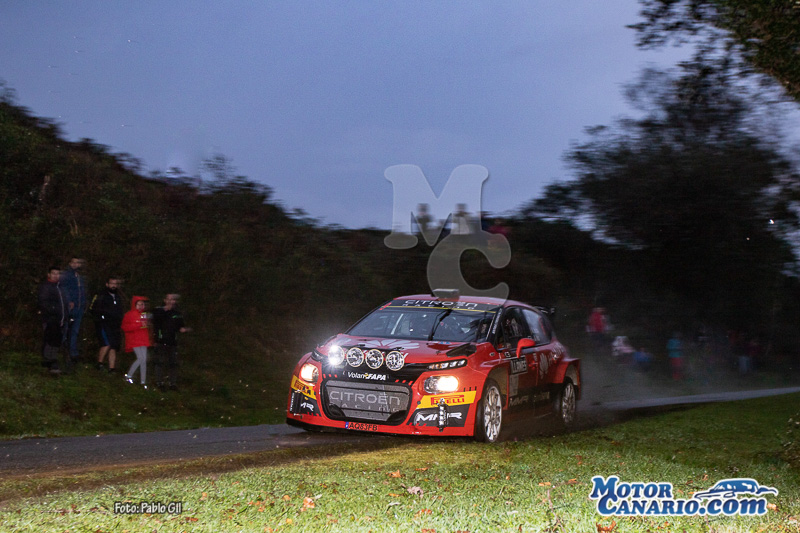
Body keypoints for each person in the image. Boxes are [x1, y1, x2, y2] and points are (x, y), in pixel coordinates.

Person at [152, 293, 190, 391]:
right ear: (165, 300)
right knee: (159, 362)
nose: (171, 301)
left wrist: (184, 329)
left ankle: (172, 383)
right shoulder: (158, 311)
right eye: (169, 299)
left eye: (173, 299)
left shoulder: (177, 314)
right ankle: (159, 383)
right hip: (160, 341)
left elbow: (180, 326)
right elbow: (154, 324)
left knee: (173, 363)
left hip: (172, 342)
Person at [90, 277, 124, 372]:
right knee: (106, 343)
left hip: (115, 325)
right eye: (112, 283)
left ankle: (112, 368)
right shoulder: (101, 295)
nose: (113, 285)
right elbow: (93, 309)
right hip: (104, 324)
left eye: (115, 283)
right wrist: (101, 318)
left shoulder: (118, 297)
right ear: (107, 284)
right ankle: (99, 363)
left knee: (114, 346)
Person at [37, 266, 67, 374]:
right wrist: (53, 311)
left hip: (60, 319)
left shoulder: (59, 287)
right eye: (53, 273)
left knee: (57, 339)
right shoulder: (46, 287)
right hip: (50, 318)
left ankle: (52, 360)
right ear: (49, 274)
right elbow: (43, 302)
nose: (56, 276)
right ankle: (49, 360)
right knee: (50, 339)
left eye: (58, 273)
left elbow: (63, 303)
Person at [60, 257, 88, 365]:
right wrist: (69, 301)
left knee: (75, 331)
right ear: (70, 263)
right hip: (70, 307)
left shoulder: (80, 276)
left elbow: (83, 291)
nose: (76, 264)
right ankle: (64, 351)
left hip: (79, 307)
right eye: (74, 262)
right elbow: (64, 289)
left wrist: (84, 303)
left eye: (78, 263)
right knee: (66, 329)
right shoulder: (67, 275)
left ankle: (73, 353)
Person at [122, 296, 152, 388]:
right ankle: (129, 376)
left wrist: (147, 325)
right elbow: (125, 327)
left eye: (142, 304)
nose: (140, 306)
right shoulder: (129, 314)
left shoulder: (144, 315)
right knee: (140, 358)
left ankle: (143, 381)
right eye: (138, 304)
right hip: (134, 339)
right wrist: (138, 324)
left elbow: (145, 328)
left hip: (143, 339)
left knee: (144, 359)